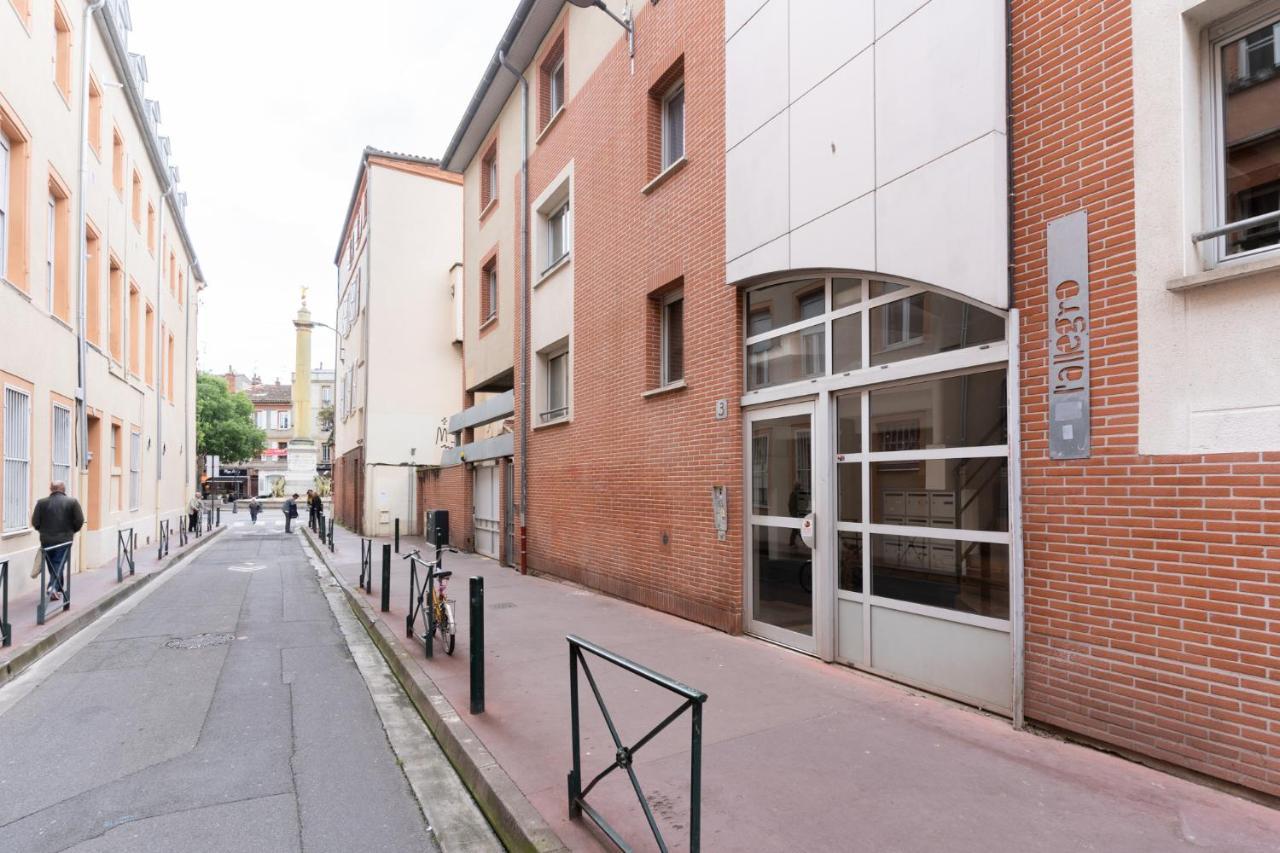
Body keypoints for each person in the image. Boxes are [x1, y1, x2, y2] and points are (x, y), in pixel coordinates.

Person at [30, 482, 84, 601]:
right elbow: (79, 520)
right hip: (64, 539)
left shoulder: (41, 503)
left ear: (51, 489)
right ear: (64, 489)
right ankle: (53, 587)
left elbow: (35, 522)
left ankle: (58, 589)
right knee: (58, 563)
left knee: (53, 565)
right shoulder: (72, 502)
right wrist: (71, 531)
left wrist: (43, 531)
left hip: (46, 540)